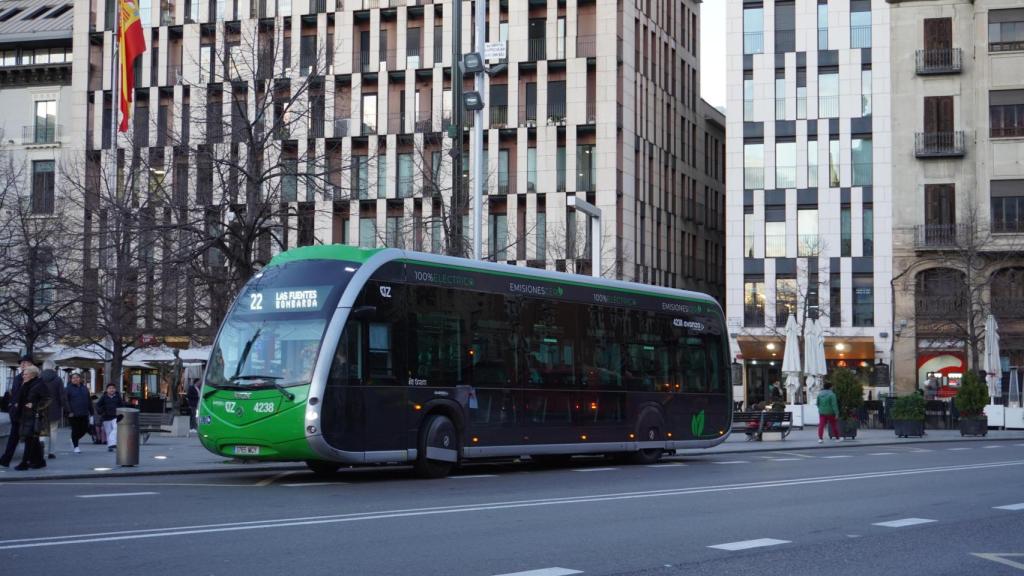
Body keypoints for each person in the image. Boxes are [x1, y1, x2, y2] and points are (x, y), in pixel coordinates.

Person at [14, 365, 51, 470]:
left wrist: (35, 406)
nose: (23, 376)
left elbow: (47, 399)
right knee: (32, 440)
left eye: (25, 374)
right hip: (25, 415)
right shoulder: (27, 384)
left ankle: (24, 462)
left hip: (34, 416)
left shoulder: (39, 384)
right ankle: (40, 461)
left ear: (32, 375)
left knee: (30, 439)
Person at [0, 355, 34, 467]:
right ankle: (6, 459)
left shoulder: (36, 379)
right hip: (16, 412)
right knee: (14, 436)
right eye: (21, 363)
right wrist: (12, 406)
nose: (22, 364)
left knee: (30, 438)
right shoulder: (18, 378)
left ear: (31, 364)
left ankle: (31, 460)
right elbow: (14, 394)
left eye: (25, 362)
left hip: (28, 413)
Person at [64, 372, 94, 453]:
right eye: (73, 378)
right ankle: (76, 447)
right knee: (75, 429)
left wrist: (91, 412)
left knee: (84, 429)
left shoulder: (85, 388)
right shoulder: (68, 389)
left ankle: (74, 439)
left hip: (84, 412)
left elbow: (89, 400)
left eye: (77, 377)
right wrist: (69, 411)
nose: (75, 379)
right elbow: (66, 401)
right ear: (71, 379)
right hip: (73, 414)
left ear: (80, 379)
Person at [39, 366, 65, 459]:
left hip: (42, 408)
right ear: (53, 368)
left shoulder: (39, 378)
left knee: (42, 430)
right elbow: (62, 395)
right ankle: (51, 451)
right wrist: (63, 406)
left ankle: (41, 450)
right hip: (55, 408)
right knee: (53, 430)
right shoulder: (58, 380)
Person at [95, 384, 124, 452]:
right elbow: (98, 405)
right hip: (106, 417)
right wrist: (101, 411)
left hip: (115, 417)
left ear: (115, 389)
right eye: (110, 388)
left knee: (115, 429)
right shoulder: (104, 397)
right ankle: (110, 446)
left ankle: (113, 443)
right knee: (108, 432)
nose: (111, 390)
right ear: (107, 390)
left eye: (113, 388)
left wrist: (121, 413)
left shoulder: (118, 397)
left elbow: (122, 405)